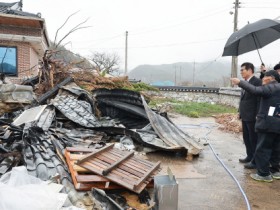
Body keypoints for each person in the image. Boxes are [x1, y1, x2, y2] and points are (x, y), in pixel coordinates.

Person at [231, 70, 280, 182]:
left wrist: (240, 82)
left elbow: (254, 90)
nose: (262, 79)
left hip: (267, 124)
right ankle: (275, 171)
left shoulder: (270, 88)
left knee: (263, 148)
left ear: (271, 78)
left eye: (264, 77)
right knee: (276, 148)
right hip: (277, 123)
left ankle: (263, 174)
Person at [238, 62, 262, 169]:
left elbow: (259, 100)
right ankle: (249, 156)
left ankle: (255, 160)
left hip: (253, 116)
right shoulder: (245, 82)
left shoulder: (257, 82)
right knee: (246, 137)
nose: (241, 72)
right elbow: (242, 99)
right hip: (245, 115)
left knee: (253, 138)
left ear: (250, 70)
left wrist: (257, 114)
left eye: (243, 69)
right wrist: (240, 111)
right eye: (241, 70)